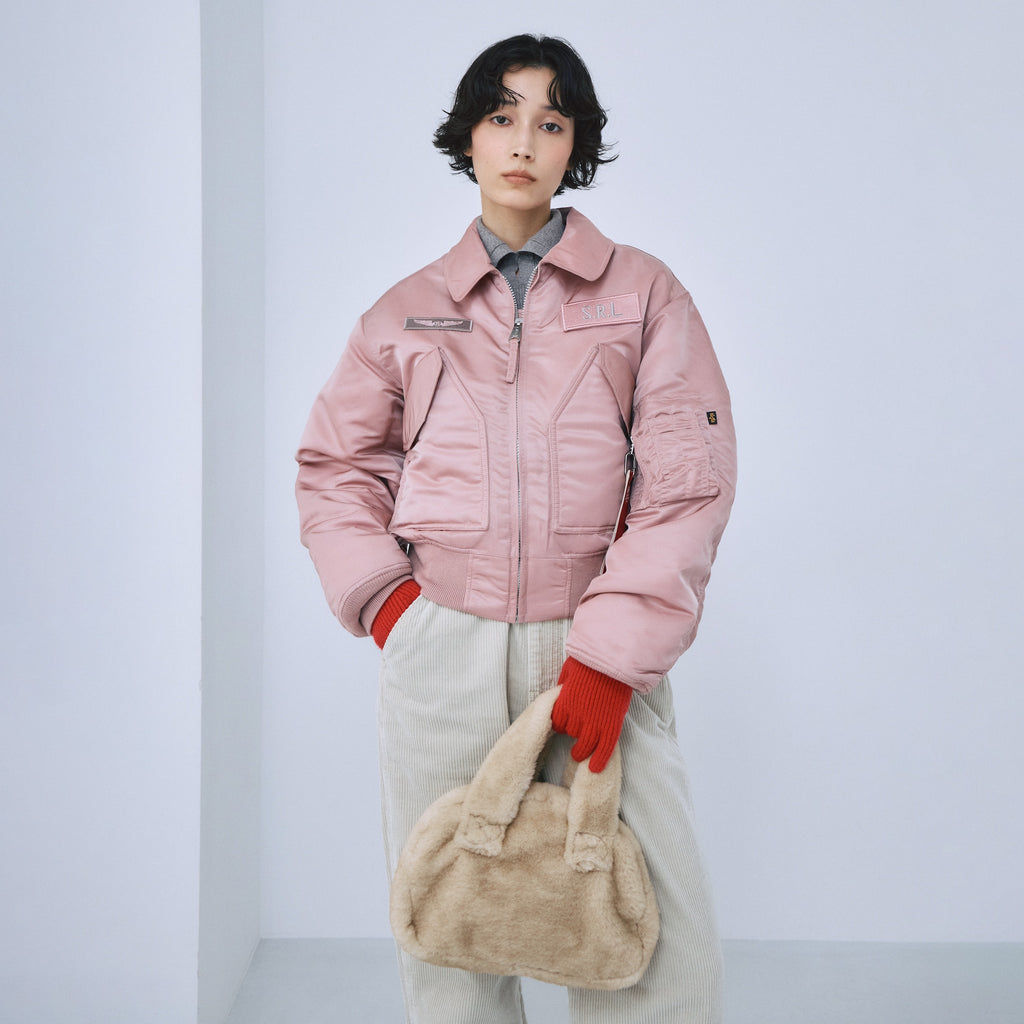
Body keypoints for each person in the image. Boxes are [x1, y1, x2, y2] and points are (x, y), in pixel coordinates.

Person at [296, 33, 736, 1024]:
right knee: (451, 935)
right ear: (469, 137)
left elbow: (687, 485)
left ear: (576, 144)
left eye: (550, 121)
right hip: (441, 649)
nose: (524, 142)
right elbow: (336, 467)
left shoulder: (643, 295)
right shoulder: (405, 314)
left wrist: (611, 658)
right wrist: (392, 608)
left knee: (655, 948)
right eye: (501, 117)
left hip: (594, 646)